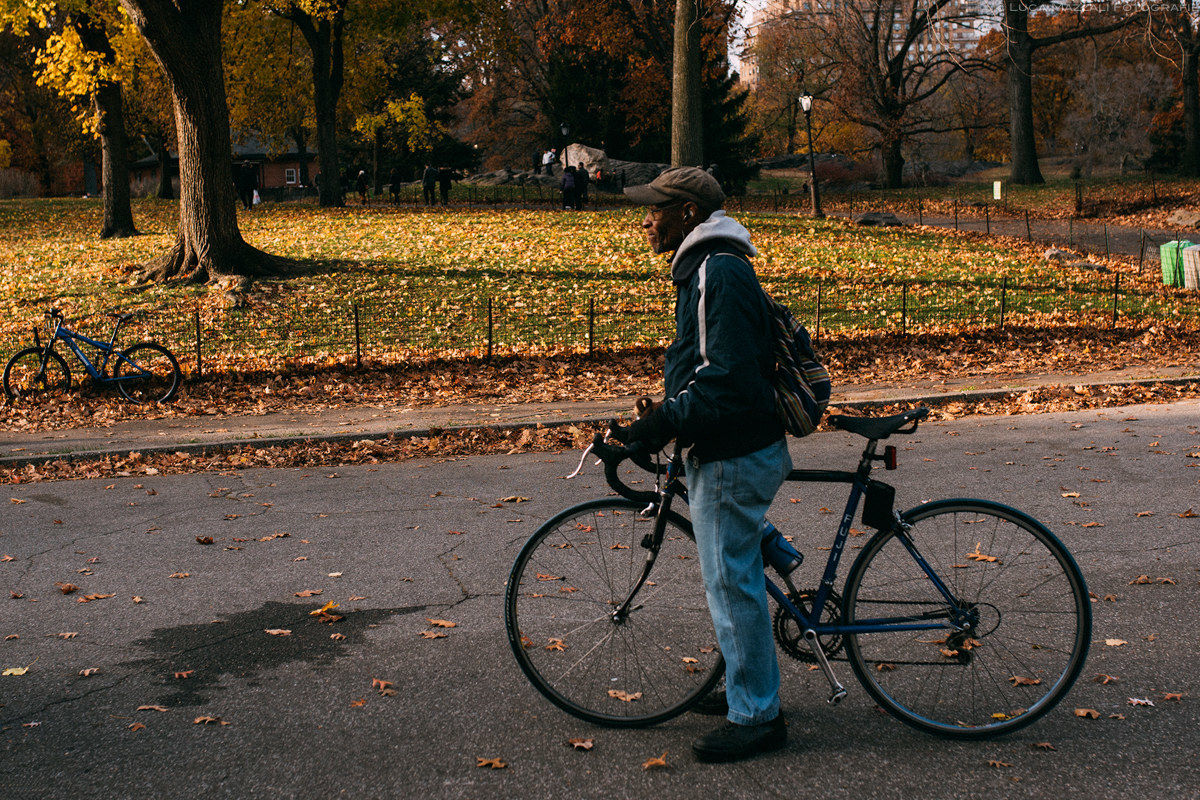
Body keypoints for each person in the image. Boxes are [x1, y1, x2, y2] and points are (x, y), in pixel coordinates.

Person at [610, 166, 790, 764]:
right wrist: (660, 417)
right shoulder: (706, 267)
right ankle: (748, 680)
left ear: (687, 212)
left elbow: (723, 381)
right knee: (733, 563)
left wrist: (659, 423)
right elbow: (698, 362)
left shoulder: (717, 269)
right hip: (727, 447)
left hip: (733, 451)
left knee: (730, 579)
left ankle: (758, 714)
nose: (644, 221)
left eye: (654, 210)